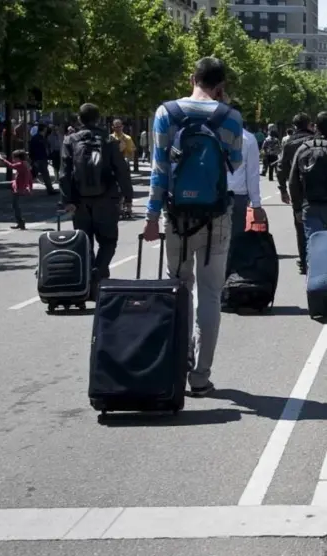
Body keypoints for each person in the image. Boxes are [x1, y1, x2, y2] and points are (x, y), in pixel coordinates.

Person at [143, 56, 244, 397]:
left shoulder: (166, 113)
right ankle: (201, 376)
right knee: (211, 295)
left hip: (177, 219)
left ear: (192, 77)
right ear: (221, 86)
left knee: (178, 288)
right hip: (216, 217)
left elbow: (158, 170)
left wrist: (151, 217)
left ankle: (177, 361)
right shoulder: (230, 117)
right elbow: (234, 163)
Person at [59, 103, 133, 287]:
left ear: (79, 119)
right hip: (106, 199)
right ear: (99, 119)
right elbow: (122, 170)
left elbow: (64, 173)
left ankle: (91, 275)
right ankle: (99, 272)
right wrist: (128, 196)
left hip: (80, 201)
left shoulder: (70, 140)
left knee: (84, 241)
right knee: (108, 241)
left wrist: (67, 200)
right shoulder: (108, 141)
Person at [288, 111, 327, 251]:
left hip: (309, 206)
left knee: (313, 247)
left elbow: (293, 181)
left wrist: (297, 208)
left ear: (315, 126)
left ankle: (312, 272)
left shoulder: (303, 148)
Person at [277, 113, 315, 274]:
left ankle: (304, 260)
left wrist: (283, 189)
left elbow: (281, 167)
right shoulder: (316, 140)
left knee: (300, 226)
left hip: (298, 190)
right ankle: (318, 259)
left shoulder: (290, 143)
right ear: (308, 124)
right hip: (319, 188)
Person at [225, 102, 265, 242]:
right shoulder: (248, 138)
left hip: (215, 195)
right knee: (236, 240)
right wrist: (256, 205)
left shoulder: (212, 134)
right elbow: (252, 174)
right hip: (238, 195)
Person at [0, 150, 33, 229]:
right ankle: (20, 222)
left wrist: (2, 159)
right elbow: (30, 178)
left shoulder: (21, 164)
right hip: (15, 184)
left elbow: (11, 165)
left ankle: (20, 222)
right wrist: (30, 187)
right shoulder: (26, 164)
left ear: (18, 158)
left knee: (15, 206)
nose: (13, 159)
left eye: (14, 158)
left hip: (19, 188)